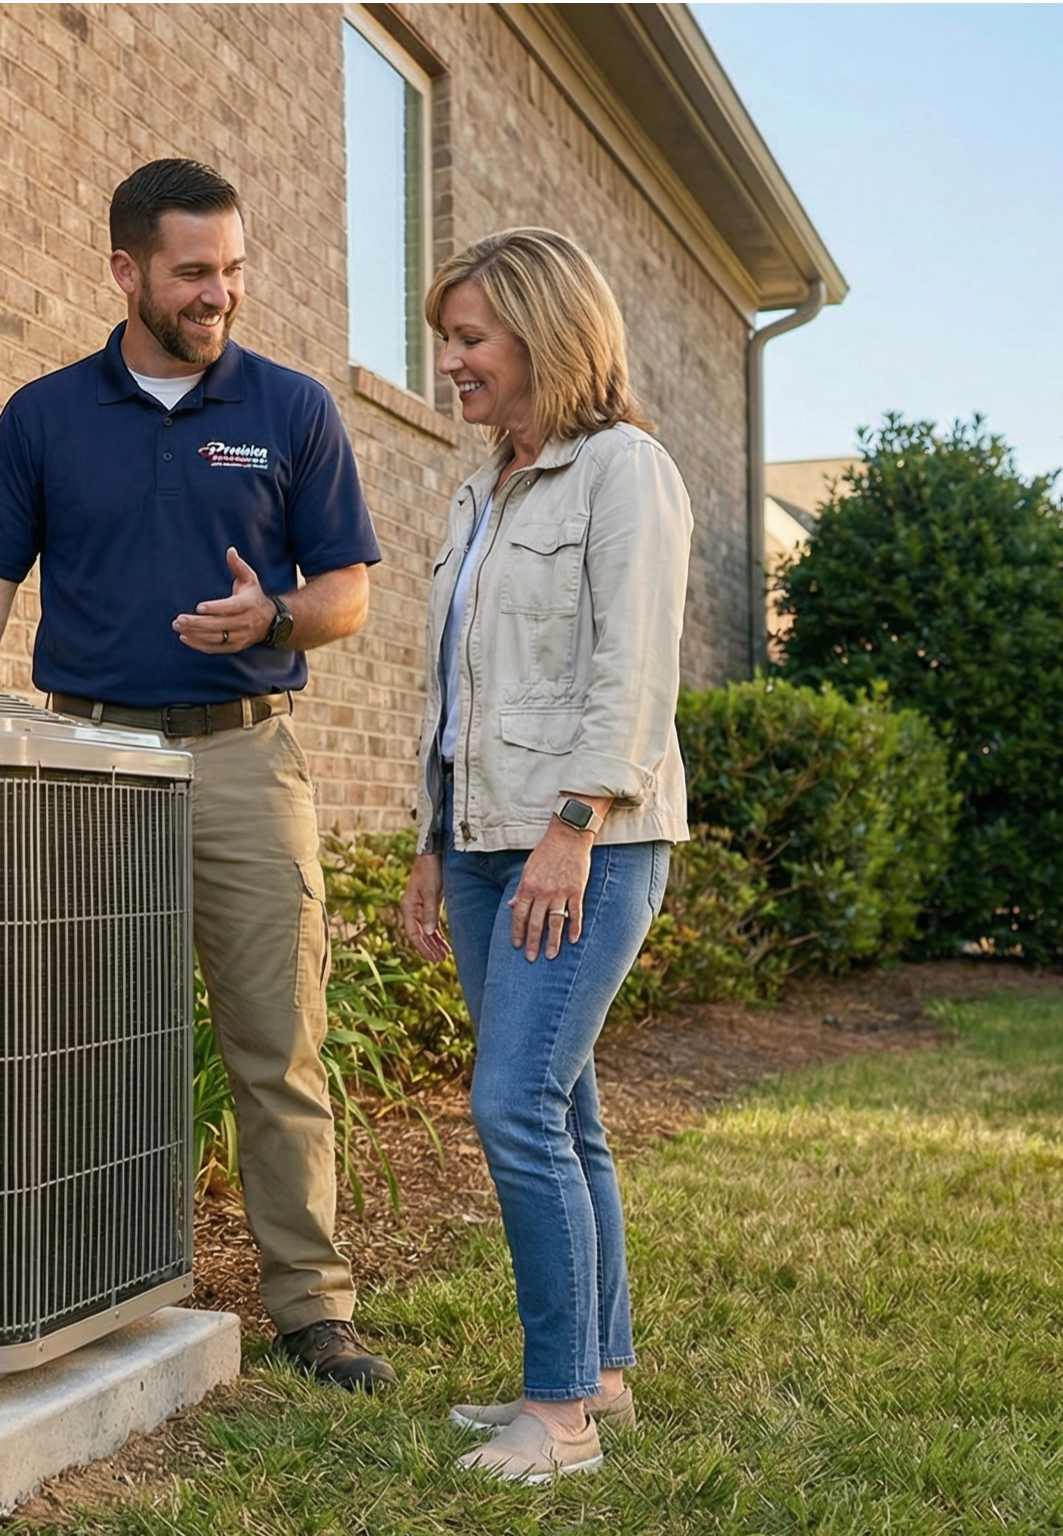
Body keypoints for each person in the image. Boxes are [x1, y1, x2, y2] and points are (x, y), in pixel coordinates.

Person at [0, 158, 393, 1389]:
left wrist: (276, 617)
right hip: (88, 764)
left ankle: (311, 1307)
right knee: (78, 1042)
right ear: (125, 270)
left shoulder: (291, 410)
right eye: (193, 271)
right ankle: (93, 1283)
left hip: (244, 759)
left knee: (276, 1041)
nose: (218, 293)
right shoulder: (44, 415)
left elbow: (347, 590)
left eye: (232, 268)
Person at [397, 227, 692, 1481]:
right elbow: (453, 690)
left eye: (470, 338)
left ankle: (558, 1415)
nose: (449, 363)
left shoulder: (623, 470)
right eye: (444, 340)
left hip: (585, 839)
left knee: (512, 1101)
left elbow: (632, 667)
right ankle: (602, 1376)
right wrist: (426, 840)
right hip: (476, 838)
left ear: (542, 334)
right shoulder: (477, 493)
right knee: (562, 1108)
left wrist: (573, 828)